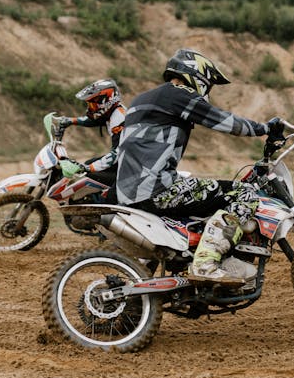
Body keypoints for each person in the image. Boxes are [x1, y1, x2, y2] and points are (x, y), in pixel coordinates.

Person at [115, 48, 283, 285]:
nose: (209, 90)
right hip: (158, 189)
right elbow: (222, 121)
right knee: (243, 192)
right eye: (210, 83)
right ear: (197, 75)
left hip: (128, 192)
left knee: (200, 197)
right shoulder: (177, 94)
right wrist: (265, 129)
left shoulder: (141, 99)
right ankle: (206, 262)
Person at [57, 79, 127, 187]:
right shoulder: (112, 111)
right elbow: (92, 121)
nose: (90, 108)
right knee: (89, 164)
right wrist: (71, 120)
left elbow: (118, 153)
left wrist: (89, 168)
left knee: (90, 175)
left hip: (131, 166)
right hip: (125, 160)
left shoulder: (119, 119)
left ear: (107, 101)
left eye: (93, 105)